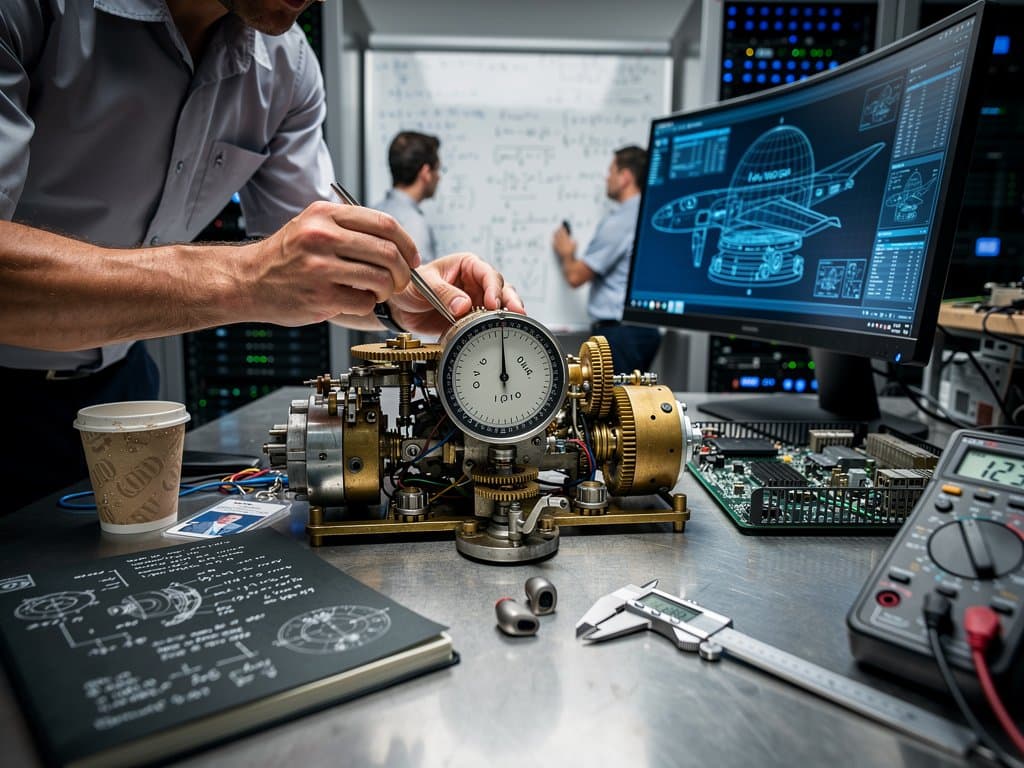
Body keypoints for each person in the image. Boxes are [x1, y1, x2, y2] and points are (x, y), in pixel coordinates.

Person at [0, 0, 523, 512]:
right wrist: (246, 277)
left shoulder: (286, 67)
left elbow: (315, 269)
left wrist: (398, 294)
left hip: (127, 384)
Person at [552, 145, 661, 375]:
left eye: (611, 171)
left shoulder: (623, 219)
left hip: (620, 334)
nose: (606, 178)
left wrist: (567, 254)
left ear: (625, 177)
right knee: (632, 395)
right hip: (639, 330)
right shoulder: (649, 213)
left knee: (616, 398)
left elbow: (576, 276)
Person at [371, 131, 442, 264]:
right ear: (426, 173)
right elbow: (421, 276)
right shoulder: (415, 224)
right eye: (437, 170)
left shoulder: (371, 211)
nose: (439, 177)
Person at [180, 513, 248, 536]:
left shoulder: (235, 528)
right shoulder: (196, 525)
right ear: (221, 516)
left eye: (234, 519)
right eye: (227, 517)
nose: (229, 519)